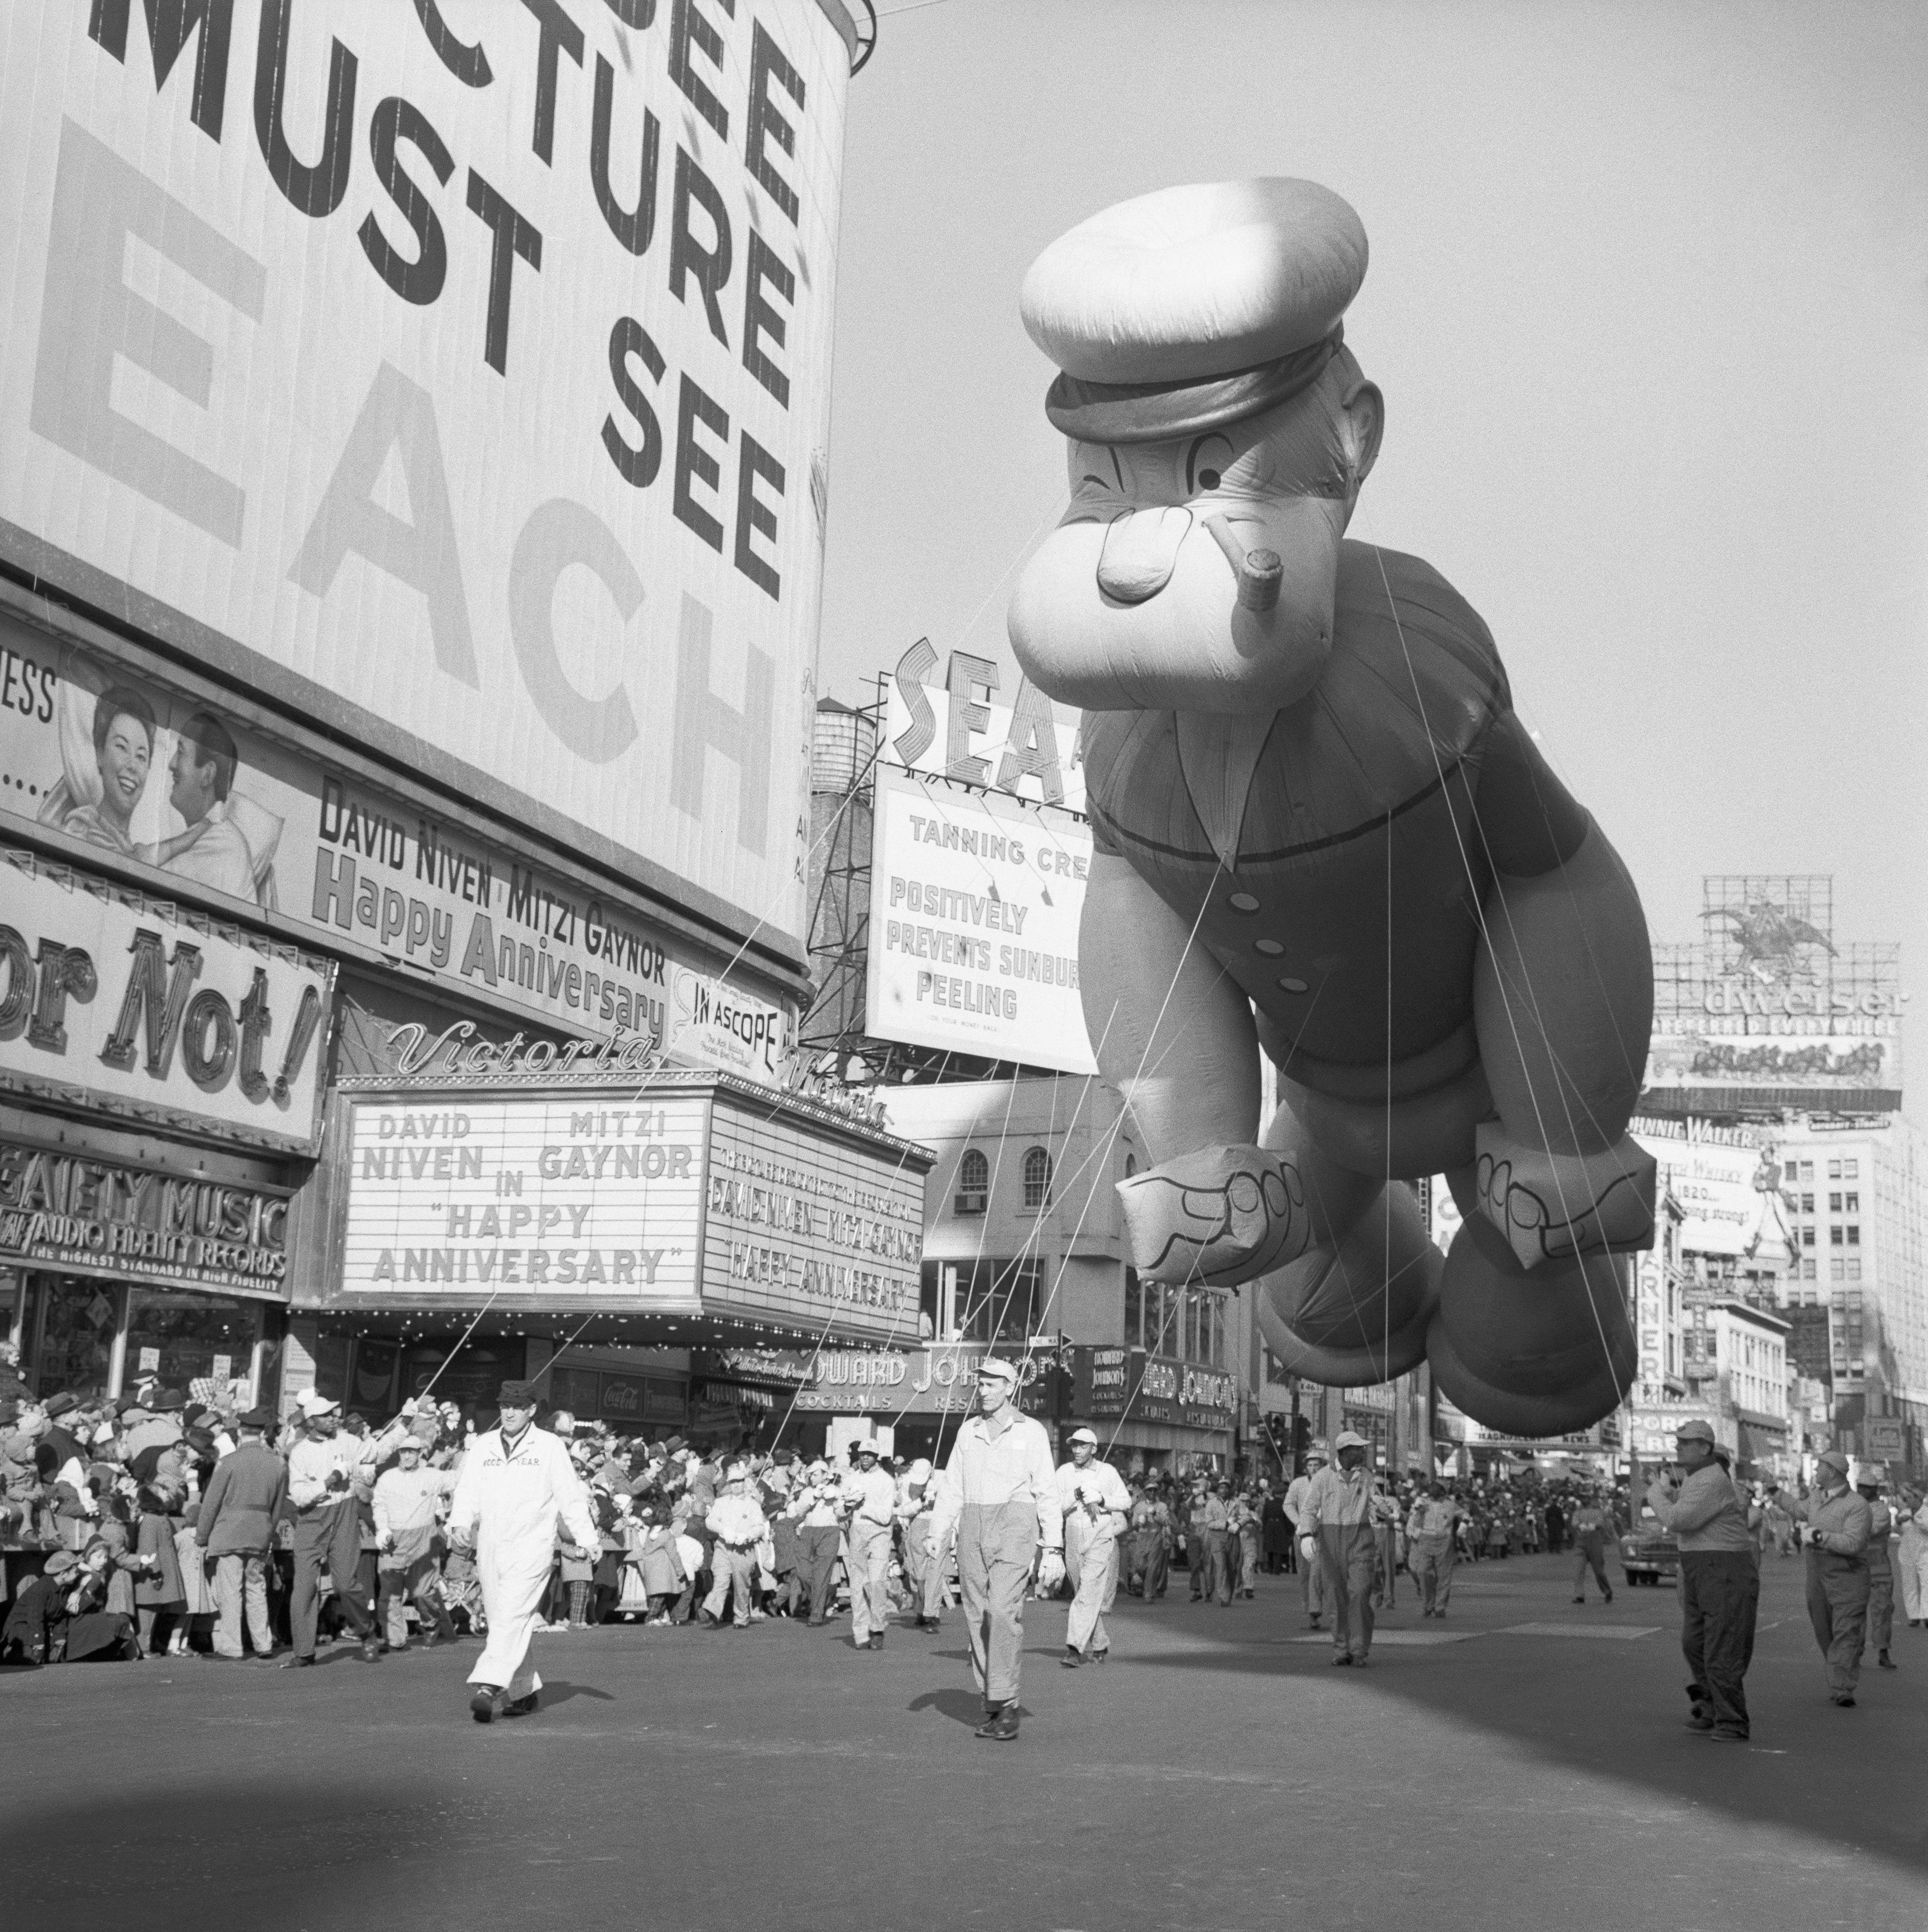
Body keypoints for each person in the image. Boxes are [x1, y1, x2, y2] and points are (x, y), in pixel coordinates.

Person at [447, 1379, 600, 1723]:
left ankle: (488, 1685)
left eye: (517, 1406)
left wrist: (588, 1539)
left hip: (532, 1545)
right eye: (504, 1406)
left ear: (531, 1409)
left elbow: (570, 1496)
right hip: (490, 1543)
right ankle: (524, 1690)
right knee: (503, 1618)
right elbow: (467, 1489)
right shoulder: (484, 1444)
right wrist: (459, 1523)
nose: (509, 1412)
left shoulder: (548, 1446)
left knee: (514, 1614)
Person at [928, 1358, 1064, 1742]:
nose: (984, 1390)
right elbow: (952, 1485)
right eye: (981, 1384)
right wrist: (938, 1531)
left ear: (1010, 1386)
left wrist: (1052, 1546)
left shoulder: (1031, 1431)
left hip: (1016, 1523)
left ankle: (1006, 1703)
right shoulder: (967, 1431)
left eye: (991, 1384)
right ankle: (995, 1699)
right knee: (976, 1616)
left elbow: (1046, 1490)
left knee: (1002, 1610)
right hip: (972, 1523)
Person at [1644, 1421, 1758, 1743]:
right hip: (1701, 1567)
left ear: (1705, 1448)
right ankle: (1711, 1703)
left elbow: (1680, 1519)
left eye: (1685, 1443)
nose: (1677, 1448)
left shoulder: (1711, 1479)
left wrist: (1656, 1492)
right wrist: (1665, 1490)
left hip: (1720, 1568)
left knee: (1721, 1644)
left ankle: (1732, 1719)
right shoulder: (1699, 1479)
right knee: (1695, 1642)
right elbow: (1683, 1506)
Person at [283, 1393, 380, 1667]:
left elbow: (376, 1452)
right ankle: (303, 1651)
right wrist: (332, 1479)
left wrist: (406, 1421)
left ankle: (365, 1631)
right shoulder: (299, 1452)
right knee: (303, 1586)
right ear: (312, 1422)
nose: (333, 1418)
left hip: (344, 1511)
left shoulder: (348, 1441)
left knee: (345, 1584)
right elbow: (299, 1496)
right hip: (312, 1517)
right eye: (326, 1415)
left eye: (333, 1413)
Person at [195, 1406, 288, 1662]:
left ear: (240, 1432)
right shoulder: (279, 1463)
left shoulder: (229, 1462)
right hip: (260, 1532)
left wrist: (202, 1537)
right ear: (261, 1433)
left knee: (231, 1590)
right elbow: (278, 1507)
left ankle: (232, 1647)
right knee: (256, 1588)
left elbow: (211, 1503)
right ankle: (263, 1644)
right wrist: (269, 1532)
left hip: (230, 1532)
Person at [1801, 1449, 1872, 1708]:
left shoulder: (1856, 1505)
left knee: (1846, 1632)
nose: (1816, 1471)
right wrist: (1776, 1493)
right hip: (1817, 1576)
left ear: (1832, 1471)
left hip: (1848, 1577)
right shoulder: (1816, 1499)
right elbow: (1799, 1510)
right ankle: (1838, 1672)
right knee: (1824, 1630)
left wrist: (1820, 1537)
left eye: (1819, 1467)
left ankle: (1842, 1686)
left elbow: (1853, 1543)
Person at [1300, 1431, 1378, 1665]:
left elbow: (1377, 1500)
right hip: (1330, 1542)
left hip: (1360, 1539)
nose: (1363, 1452)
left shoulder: (1366, 1477)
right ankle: (1342, 1649)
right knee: (1336, 1598)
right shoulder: (1323, 1477)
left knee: (1361, 1592)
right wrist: (1305, 1534)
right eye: (1358, 1448)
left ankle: (1359, 1649)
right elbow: (1309, 1509)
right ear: (1344, 1452)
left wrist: (1389, 1510)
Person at [1056, 1427, 1131, 1665]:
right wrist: (1076, 1494)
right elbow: (1054, 1505)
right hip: (1073, 1535)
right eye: (1074, 1446)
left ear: (1094, 1448)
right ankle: (1100, 1642)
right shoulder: (1065, 1472)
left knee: (1087, 1592)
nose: (1077, 1450)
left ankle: (1074, 1649)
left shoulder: (1107, 1472)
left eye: (1083, 1445)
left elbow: (1126, 1501)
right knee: (1083, 1593)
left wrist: (1102, 1499)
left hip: (1100, 1535)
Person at [372, 1434, 456, 1650]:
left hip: (422, 1540)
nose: (407, 1455)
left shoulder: (433, 1476)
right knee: (389, 1594)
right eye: (404, 1451)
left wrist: (471, 1455)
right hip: (393, 1542)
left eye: (412, 1452)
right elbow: (379, 1505)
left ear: (420, 1454)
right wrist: (382, 1528)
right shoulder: (387, 1478)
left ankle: (430, 1624)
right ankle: (395, 1639)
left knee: (422, 1593)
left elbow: (461, 1479)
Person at [840, 1440, 898, 1651]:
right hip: (857, 1531)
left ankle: (878, 1628)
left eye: (870, 1454)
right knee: (857, 1584)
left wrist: (863, 1505)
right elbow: (839, 1511)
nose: (865, 1457)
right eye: (862, 1454)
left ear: (877, 1456)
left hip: (880, 1533)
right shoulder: (851, 1478)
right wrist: (847, 1505)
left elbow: (884, 1516)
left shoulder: (886, 1480)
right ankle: (861, 1632)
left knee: (876, 1582)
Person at [701, 1463, 769, 1631]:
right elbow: (710, 1521)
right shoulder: (721, 1502)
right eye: (733, 1482)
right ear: (728, 1484)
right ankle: (713, 1610)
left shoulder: (753, 1504)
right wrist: (724, 1530)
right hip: (723, 1547)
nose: (736, 1485)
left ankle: (741, 1617)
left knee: (741, 1584)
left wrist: (747, 1536)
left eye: (739, 1482)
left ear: (744, 1482)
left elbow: (760, 1527)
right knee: (721, 1580)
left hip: (743, 1549)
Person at [1853, 1467, 1896, 1672]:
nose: (1862, 1490)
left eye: (1867, 1488)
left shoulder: (1880, 1510)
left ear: (1875, 1490)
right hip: (1857, 1569)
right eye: (1860, 1486)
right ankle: (1855, 1653)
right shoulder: (1853, 1507)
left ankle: (1883, 1652)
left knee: (1882, 1614)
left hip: (1879, 1571)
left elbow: (1869, 1530)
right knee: (1855, 1615)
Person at [1285, 1447, 1329, 1629]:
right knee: (1304, 1573)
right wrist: (1298, 1523)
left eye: (1317, 1464)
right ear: (1306, 1468)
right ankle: (1309, 1605)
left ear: (1322, 1466)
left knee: (1318, 1573)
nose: (1313, 1468)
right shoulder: (1297, 1484)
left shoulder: (1329, 1483)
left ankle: (1315, 1609)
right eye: (1310, 1465)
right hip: (1303, 1533)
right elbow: (1288, 1505)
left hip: (1323, 1533)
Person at [1406, 1482, 1462, 1617]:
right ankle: (1428, 1604)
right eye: (1432, 1490)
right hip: (1425, 1540)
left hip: (1445, 1541)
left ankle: (1440, 1607)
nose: (1434, 1492)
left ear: (1443, 1492)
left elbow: (1465, 1516)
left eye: (1437, 1490)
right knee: (1423, 1571)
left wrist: (1462, 1529)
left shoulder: (1451, 1504)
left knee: (1444, 1575)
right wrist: (1414, 1531)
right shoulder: (1422, 1503)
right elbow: (1413, 1518)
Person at [1569, 1492, 1615, 1605]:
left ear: (1590, 1499)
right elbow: (1574, 1523)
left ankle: (1607, 1590)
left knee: (1599, 1572)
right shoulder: (1577, 1512)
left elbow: (1601, 1523)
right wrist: (1580, 1526)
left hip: (1595, 1544)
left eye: (1586, 1497)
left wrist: (1593, 1526)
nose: (1584, 1500)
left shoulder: (1598, 1512)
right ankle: (1579, 1595)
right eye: (1582, 1497)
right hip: (1581, 1544)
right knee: (1578, 1571)